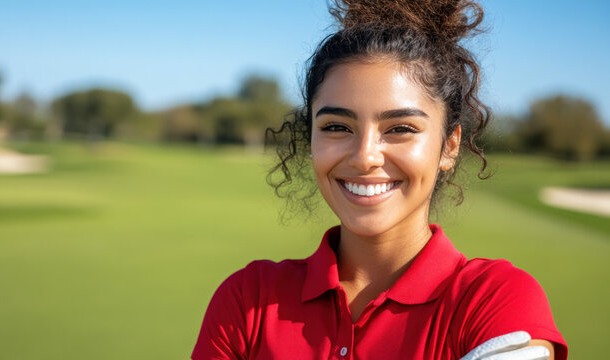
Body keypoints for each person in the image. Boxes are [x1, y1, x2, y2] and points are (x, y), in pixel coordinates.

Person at [192, 0, 568, 359]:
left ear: (449, 146)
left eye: (401, 128)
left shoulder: (495, 298)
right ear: (311, 139)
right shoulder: (248, 299)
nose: (364, 156)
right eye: (337, 127)